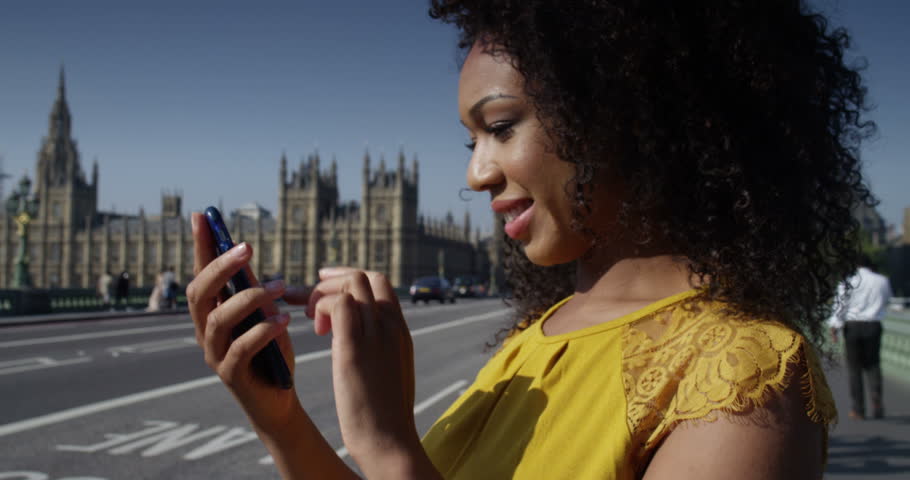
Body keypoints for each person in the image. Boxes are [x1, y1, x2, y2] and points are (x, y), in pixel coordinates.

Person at [186, 1, 875, 478]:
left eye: (502, 126)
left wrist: (390, 448)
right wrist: (278, 419)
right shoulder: (535, 340)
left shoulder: (747, 379)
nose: (475, 172)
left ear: (619, 113)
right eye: (472, 138)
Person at [828, 255, 892, 420]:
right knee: (873, 365)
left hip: (853, 326)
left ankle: (858, 409)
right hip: (873, 325)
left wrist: (835, 327)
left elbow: (839, 306)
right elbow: (886, 301)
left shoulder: (848, 282)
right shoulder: (882, 281)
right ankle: (876, 399)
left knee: (854, 369)